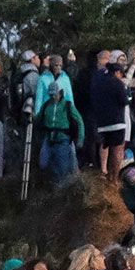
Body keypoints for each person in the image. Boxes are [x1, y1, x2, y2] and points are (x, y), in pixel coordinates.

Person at [32, 55, 84, 188]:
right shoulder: (43, 78)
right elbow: (39, 98)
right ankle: (56, 182)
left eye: (60, 65)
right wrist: (38, 115)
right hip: (48, 118)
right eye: (56, 65)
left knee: (68, 155)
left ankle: (71, 181)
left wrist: (70, 113)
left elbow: (70, 97)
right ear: (50, 65)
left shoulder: (65, 78)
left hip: (63, 120)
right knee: (46, 159)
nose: (58, 67)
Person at [89, 59, 131, 176]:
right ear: (117, 72)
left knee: (104, 145)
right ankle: (114, 176)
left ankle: (103, 170)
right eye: (121, 74)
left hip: (102, 123)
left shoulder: (98, 82)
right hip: (117, 122)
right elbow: (124, 101)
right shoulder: (117, 84)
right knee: (117, 149)